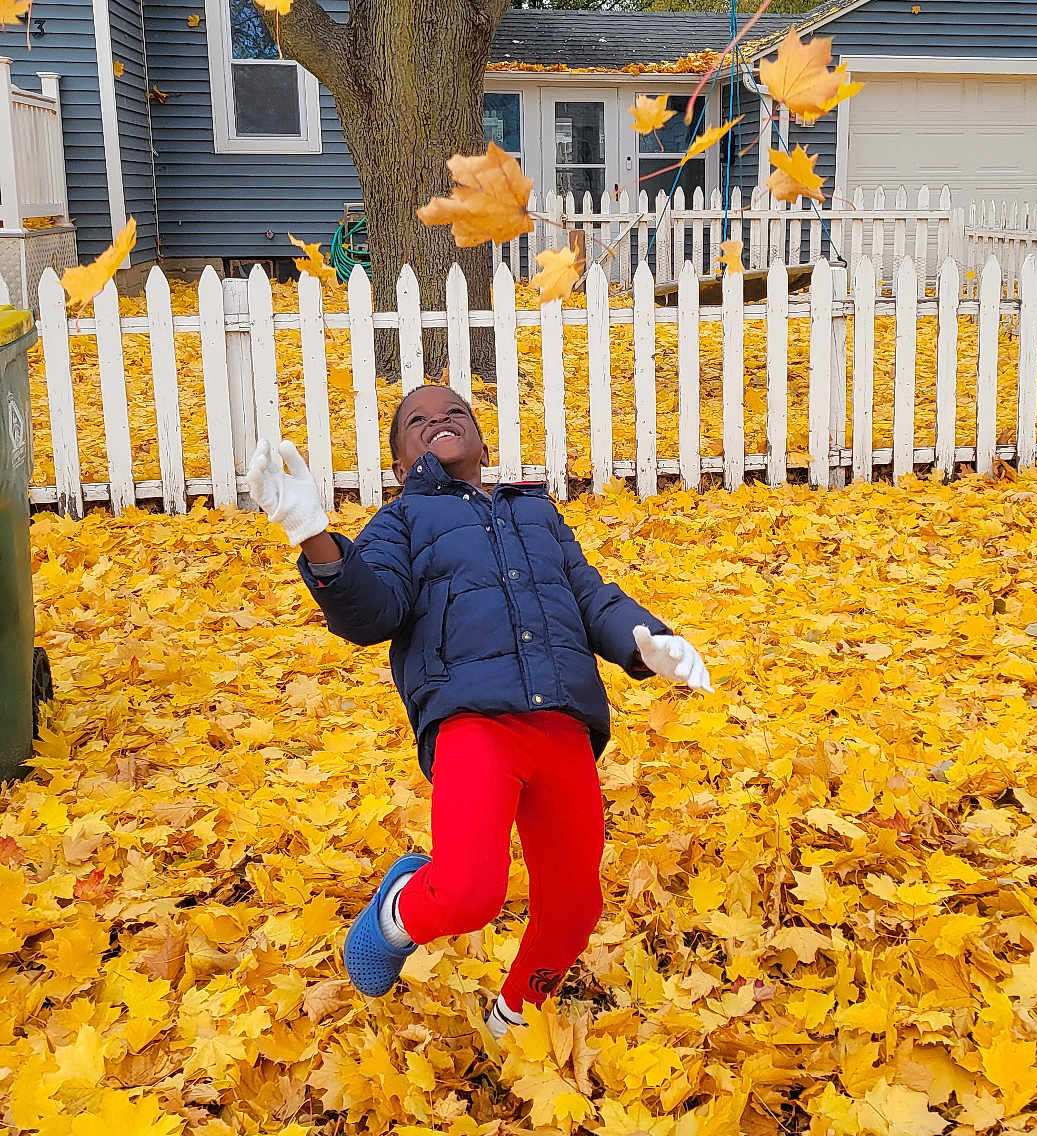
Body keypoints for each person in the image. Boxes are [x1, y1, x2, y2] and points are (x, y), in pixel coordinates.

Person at [245, 385, 710, 1040]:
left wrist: (649, 641)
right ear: (400, 465)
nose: (439, 419)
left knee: (575, 909)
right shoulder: (403, 521)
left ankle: (512, 1021)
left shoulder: (537, 512)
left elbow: (589, 595)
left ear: (483, 442)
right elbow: (371, 610)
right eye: (418, 420)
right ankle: (395, 915)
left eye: (454, 412)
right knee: (468, 891)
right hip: (473, 723)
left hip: (563, 724)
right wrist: (314, 536)